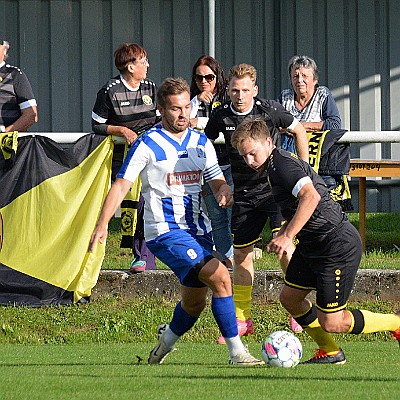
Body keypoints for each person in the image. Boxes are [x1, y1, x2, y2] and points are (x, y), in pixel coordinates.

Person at [89, 77, 263, 366]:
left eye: (186, 107)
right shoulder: (148, 144)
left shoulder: (199, 141)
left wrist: (223, 190)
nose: (183, 115)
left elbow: (215, 178)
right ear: (161, 109)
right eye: (175, 109)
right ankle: (237, 353)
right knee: (220, 276)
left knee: (193, 303)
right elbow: (120, 186)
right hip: (165, 232)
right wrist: (102, 224)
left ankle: (163, 346)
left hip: (199, 232)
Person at [231, 118, 400, 364]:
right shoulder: (272, 167)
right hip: (313, 245)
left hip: (335, 244)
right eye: (244, 156)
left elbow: (310, 197)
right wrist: (285, 230)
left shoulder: (282, 166)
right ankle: (330, 352)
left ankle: (395, 322)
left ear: (268, 142)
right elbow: (301, 203)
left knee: (333, 321)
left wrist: (288, 236)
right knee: (290, 298)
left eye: (252, 153)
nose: (249, 161)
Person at [204, 63, 309, 344]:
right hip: (245, 196)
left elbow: (299, 131)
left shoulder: (270, 110)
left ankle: (297, 311)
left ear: (255, 90)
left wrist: (303, 170)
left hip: (277, 194)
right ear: (228, 90)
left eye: (246, 90)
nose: (240, 96)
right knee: (241, 256)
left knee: (285, 249)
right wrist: (221, 183)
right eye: (235, 90)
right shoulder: (220, 116)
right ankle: (242, 320)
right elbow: (203, 147)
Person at [92, 43, 160, 273]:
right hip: (123, 157)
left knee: (149, 203)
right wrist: (122, 130)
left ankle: (146, 256)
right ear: (130, 67)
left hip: (151, 155)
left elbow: (161, 119)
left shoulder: (151, 87)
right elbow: (97, 125)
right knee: (133, 204)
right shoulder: (109, 90)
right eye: (143, 62)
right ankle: (131, 254)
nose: (148, 66)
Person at [278, 55, 352, 211]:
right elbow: (275, 124)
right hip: (290, 158)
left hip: (319, 160)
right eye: (295, 76)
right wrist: (313, 126)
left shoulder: (323, 95)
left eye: (305, 76)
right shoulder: (285, 97)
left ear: (315, 80)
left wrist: (298, 127)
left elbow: (334, 124)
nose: (299, 80)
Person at [189, 55, 233, 269]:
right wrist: (196, 103)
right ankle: (226, 258)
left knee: (234, 214)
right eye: (199, 78)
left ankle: (238, 256)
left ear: (218, 77)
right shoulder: (191, 100)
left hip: (230, 162)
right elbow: (183, 122)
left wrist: (201, 121)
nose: (204, 82)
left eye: (209, 77)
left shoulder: (228, 96)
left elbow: (228, 121)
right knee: (216, 217)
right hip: (206, 165)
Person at [0, 39, 38, 132]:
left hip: (6, 144)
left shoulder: (14, 74)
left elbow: (31, 115)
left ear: (5, 50)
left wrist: (4, 136)